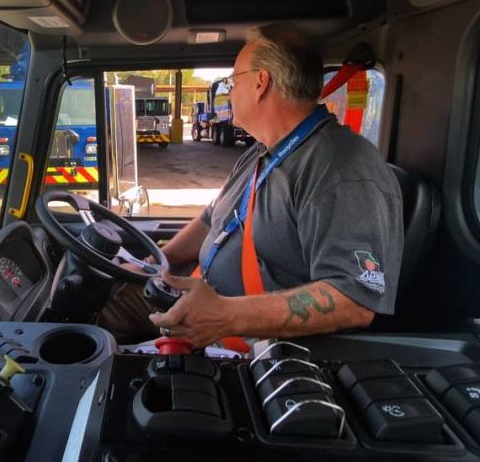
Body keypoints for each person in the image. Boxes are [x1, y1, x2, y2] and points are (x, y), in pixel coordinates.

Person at [98, 24, 404, 347]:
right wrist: (156, 261)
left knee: (104, 328)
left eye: (233, 81)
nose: (230, 91)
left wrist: (225, 315)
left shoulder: (341, 167)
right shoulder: (260, 153)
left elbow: (353, 301)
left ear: (261, 83)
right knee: (110, 301)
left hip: (241, 339)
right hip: (203, 292)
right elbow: (209, 221)